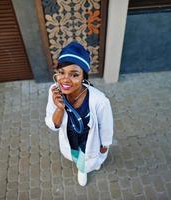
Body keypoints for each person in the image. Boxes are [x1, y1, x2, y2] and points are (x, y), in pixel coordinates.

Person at [45, 41, 113, 186]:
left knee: (89, 156)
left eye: (74, 75)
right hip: (70, 136)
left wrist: (105, 145)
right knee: (76, 155)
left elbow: (106, 125)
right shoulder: (54, 92)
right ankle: (82, 166)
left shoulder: (99, 100)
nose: (65, 79)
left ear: (84, 77)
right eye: (61, 72)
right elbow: (53, 125)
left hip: (88, 138)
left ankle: (86, 168)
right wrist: (59, 108)